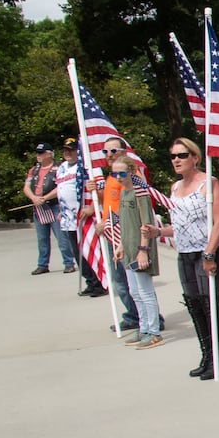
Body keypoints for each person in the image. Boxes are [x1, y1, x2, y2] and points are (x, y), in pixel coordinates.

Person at [144, 138, 219, 379]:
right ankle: (206, 355)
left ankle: (218, 359)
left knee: (208, 303)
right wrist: (159, 232)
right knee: (193, 304)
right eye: (173, 156)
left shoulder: (209, 184)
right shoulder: (174, 188)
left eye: (181, 155)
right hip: (184, 252)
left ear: (195, 157)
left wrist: (209, 253)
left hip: (206, 252)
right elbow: (180, 226)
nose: (176, 160)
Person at [83, 138, 141, 332]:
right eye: (105, 152)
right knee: (119, 279)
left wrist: (107, 223)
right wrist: (96, 192)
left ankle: (147, 317)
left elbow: (131, 203)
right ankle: (133, 315)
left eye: (113, 150)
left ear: (124, 151)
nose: (108, 155)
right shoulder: (111, 176)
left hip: (126, 232)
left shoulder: (129, 174)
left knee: (134, 280)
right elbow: (110, 200)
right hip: (111, 234)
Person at [108, 156, 163, 349]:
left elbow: (146, 224)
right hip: (129, 249)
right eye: (114, 173)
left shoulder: (140, 194)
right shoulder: (124, 194)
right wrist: (121, 246)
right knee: (134, 292)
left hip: (141, 249)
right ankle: (143, 327)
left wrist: (143, 250)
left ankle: (154, 331)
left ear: (131, 172)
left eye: (122, 173)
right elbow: (125, 224)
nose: (118, 177)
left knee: (145, 291)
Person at [59, 138, 105, 297]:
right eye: (65, 150)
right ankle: (90, 282)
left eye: (71, 150)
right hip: (69, 219)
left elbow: (100, 188)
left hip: (85, 217)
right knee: (77, 254)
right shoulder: (62, 168)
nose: (68, 153)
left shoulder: (87, 167)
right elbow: (62, 190)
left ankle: (99, 282)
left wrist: (92, 207)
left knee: (90, 250)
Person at [23, 144, 73, 274]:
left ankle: (68, 262)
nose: (38, 156)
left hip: (54, 205)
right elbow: (26, 187)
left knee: (62, 237)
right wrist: (34, 198)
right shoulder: (33, 170)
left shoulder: (59, 168)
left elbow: (61, 186)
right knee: (42, 238)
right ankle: (42, 264)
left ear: (50, 154)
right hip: (38, 207)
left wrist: (45, 197)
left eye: (41, 153)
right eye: (38, 153)